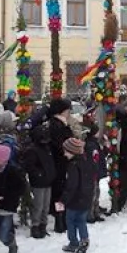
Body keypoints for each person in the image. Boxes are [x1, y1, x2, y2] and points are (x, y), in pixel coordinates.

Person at [21, 122, 55, 238]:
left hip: (48, 180)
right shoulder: (32, 150)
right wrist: (38, 174)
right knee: (38, 206)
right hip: (38, 182)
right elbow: (29, 166)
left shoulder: (47, 148)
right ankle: (35, 226)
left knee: (45, 206)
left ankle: (43, 225)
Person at [60, 137, 93, 253]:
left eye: (66, 151)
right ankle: (84, 239)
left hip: (75, 199)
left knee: (70, 221)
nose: (64, 154)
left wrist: (63, 199)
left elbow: (71, 185)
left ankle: (73, 242)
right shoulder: (86, 161)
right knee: (81, 220)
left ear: (73, 151)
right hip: (86, 196)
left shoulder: (73, 165)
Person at [47, 99, 74, 232]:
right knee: (59, 193)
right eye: (68, 110)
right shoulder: (57, 125)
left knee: (60, 192)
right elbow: (61, 144)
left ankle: (61, 219)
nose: (69, 113)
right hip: (59, 164)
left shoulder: (59, 123)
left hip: (61, 163)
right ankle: (59, 220)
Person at [84, 122, 106, 223]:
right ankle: (90, 214)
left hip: (95, 172)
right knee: (92, 194)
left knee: (96, 193)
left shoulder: (94, 143)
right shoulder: (91, 144)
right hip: (92, 172)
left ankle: (95, 212)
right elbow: (94, 159)